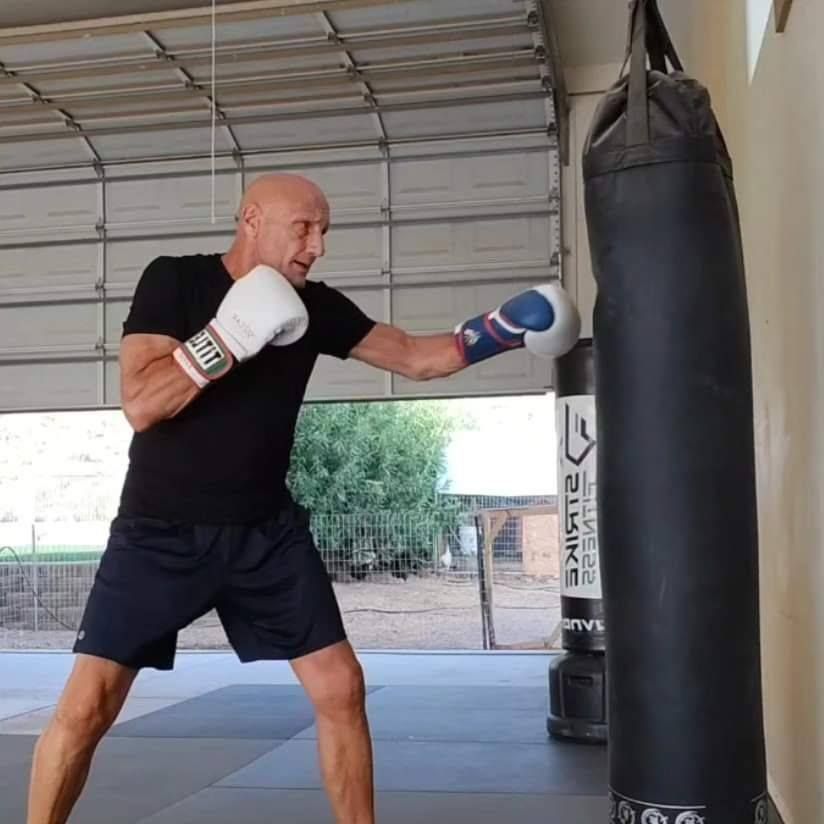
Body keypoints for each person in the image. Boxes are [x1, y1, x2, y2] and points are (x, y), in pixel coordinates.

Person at [26, 173, 581, 824]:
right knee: (89, 704)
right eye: (305, 228)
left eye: (325, 231)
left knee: (341, 688)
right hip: (161, 531)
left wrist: (504, 327)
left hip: (267, 533)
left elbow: (415, 357)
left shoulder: (314, 305)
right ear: (252, 220)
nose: (317, 246)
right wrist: (226, 339)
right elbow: (143, 405)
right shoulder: (174, 280)